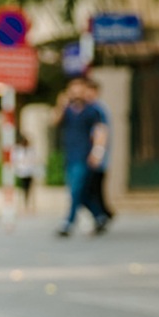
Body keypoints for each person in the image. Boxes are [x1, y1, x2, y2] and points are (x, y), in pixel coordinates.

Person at [50, 76, 109, 236]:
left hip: (84, 156)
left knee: (76, 189)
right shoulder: (67, 110)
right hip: (70, 155)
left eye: (79, 89)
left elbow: (101, 131)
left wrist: (97, 153)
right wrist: (60, 104)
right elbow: (54, 121)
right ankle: (99, 216)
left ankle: (68, 223)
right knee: (77, 191)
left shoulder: (92, 110)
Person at [82, 76, 113, 224]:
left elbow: (101, 132)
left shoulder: (98, 109)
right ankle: (103, 215)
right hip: (92, 157)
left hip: (96, 159)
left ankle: (104, 215)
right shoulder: (91, 108)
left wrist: (97, 154)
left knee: (92, 190)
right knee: (94, 191)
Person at [12, 133, 39, 213]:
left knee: (29, 189)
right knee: (22, 190)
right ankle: (22, 206)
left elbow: (34, 160)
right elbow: (15, 160)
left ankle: (29, 206)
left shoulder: (31, 150)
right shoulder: (18, 150)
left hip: (29, 172)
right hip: (21, 172)